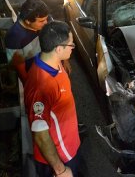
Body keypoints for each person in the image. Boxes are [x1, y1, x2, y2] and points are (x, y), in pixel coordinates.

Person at [24, 21, 80, 177]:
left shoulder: (52, 61)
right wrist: (60, 170)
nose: (73, 48)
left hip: (69, 147)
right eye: (71, 45)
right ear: (59, 49)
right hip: (59, 158)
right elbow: (40, 134)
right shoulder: (41, 86)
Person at [5, 0, 50, 83]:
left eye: (46, 19)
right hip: (36, 77)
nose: (46, 23)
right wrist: (29, 86)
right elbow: (19, 67)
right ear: (28, 21)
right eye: (41, 21)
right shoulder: (14, 37)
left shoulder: (41, 17)